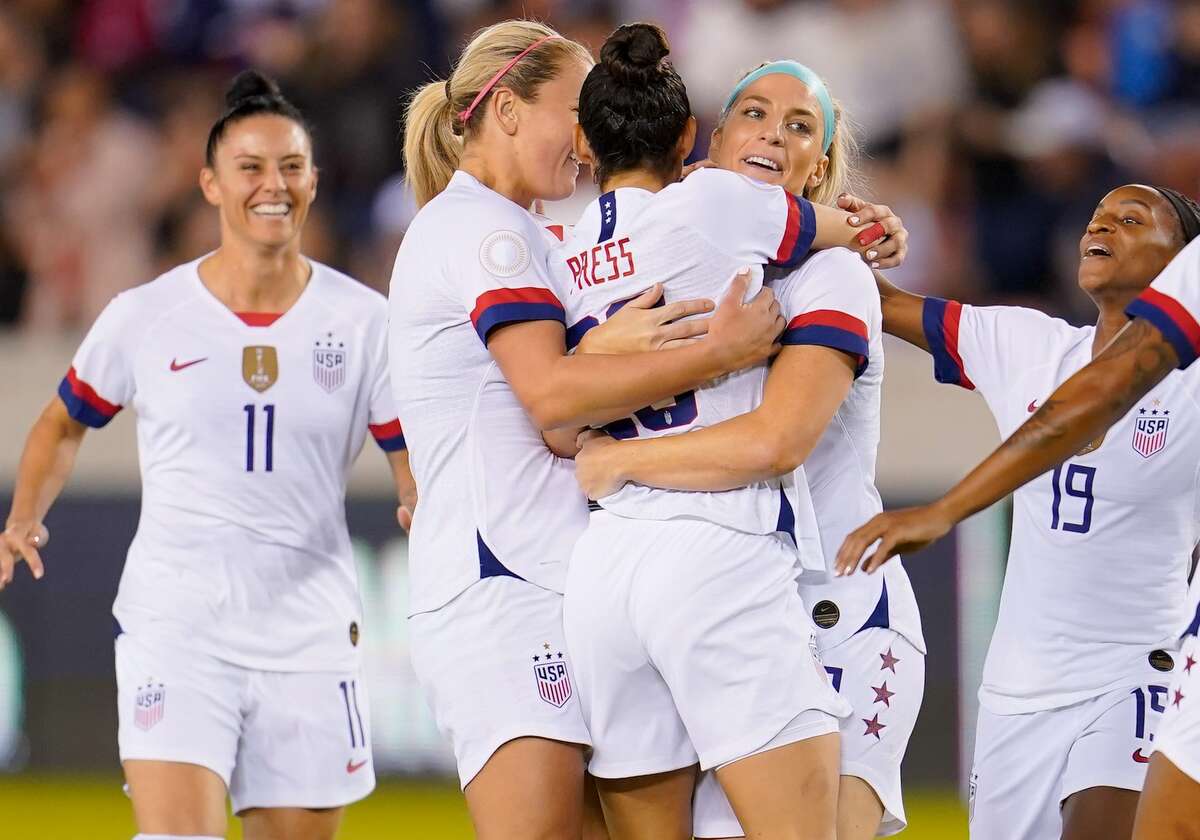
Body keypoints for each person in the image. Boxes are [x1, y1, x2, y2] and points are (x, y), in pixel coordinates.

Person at [391, 19, 795, 840]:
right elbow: (551, 400)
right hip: (498, 580)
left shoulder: (543, 238)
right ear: (504, 108)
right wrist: (715, 350)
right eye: (574, 111)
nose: (586, 139)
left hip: (555, 577)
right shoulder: (480, 229)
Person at [0, 70, 416, 840]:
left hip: (309, 634)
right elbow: (62, 423)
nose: (273, 185)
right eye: (251, 167)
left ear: (314, 181)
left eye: (291, 167)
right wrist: (25, 515)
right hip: (179, 624)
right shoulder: (147, 315)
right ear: (210, 184)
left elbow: (407, 458)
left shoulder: (364, 322)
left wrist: (424, 509)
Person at [569, 55, 924, 840]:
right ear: (711, 142)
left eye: (801, 126)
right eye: (755, 114)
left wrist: (618, 462)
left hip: (841, 614)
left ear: (822, 166)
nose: (774, 133)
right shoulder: (689, 256)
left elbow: (778, 439)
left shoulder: (834, 273)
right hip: (738, 594)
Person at [835, 188, 1200, 840]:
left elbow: (1092, 403)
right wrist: (848, 230)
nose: (1102, 225)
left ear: (1183, 265)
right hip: (1015, 696)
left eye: (1132, 219)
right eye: (1098, 217)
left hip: (1138, 674)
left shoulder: (1194, 383)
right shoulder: (1031, 343)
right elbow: (877, 303)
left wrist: (944, 510)